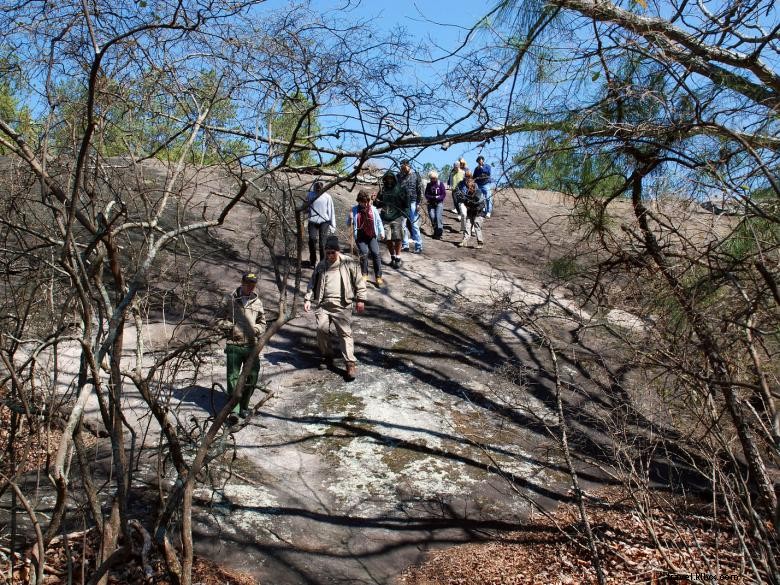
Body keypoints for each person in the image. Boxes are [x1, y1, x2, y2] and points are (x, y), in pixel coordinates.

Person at [303, 236, 367, 381]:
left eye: (333, 252)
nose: (330, 255)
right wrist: (307, 298)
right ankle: (327, 357)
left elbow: (359, 281)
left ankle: (350, 364)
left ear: (338, 251)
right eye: (328, 252)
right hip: (323, 304)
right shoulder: (321, 265)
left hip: (342, 305)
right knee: (321, 330)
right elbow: (312, 283)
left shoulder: (348, 262)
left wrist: (361, 299)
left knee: (345, 333)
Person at [217, 272, 267, 424]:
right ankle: (235, 409)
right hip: (234, 345)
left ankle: (244, 406)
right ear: (242, 283)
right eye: (248, 283)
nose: (251, 286)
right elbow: (218, 320)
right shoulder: (229, 299)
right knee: (233, 378)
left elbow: (263, 323)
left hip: (251, 346)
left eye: (253, 284)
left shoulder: (257, 302)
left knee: (252, 376)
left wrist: (255, 330)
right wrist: (232, 328)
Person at [347, 189, 385, 285]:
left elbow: (379, 221)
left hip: (371, 235)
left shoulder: (373, 209)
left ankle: (378, 276)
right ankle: (364, 274)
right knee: (364, 253)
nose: (365, 204)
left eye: (366, 202)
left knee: (375, 253)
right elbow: (348, 224)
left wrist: (382, 232)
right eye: (362, 202)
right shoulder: (354, 210)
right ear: (358, 201)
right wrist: (350, 217)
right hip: (360, 237)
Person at [374, 172, 409, 269]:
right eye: (387, 178)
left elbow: (406, 203)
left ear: (394, 179)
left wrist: (404, 214)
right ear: (385, 179)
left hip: (397, 216)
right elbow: (378, 204)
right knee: (387, 238)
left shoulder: (400, 189)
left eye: (391, 178)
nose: (389, 180)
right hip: (385, 217)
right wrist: (375, 201)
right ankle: (392, 256)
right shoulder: (383, 190)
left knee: (398, 237)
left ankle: (398, 257)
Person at [305, 181, 336, 267]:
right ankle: (313, 260)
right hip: (312, 221)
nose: (318, 189)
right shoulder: (310, 195)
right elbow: (306, 208)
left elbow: (331, 211)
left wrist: (333, 225)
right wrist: (306, 206)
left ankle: (323, 262)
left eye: (319, 187)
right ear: (314, 187)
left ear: (322, 187)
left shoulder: (327, 197)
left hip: (324, 221)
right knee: (312, 240)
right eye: (316, 187)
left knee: (322, 243)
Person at [396, 160, 424, 253]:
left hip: (413, 202)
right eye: (402, 168)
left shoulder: (416, 175)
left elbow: (420, 190)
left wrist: (419, 203)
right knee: (402, 225)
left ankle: (418, 246)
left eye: (404, 167)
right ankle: (405, 245)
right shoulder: (399, 176)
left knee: (414, 225)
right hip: (403, 203)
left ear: (408, 165)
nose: (403, 169)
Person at [457, 177, 486, 249]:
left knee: (477, 226)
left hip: (478, 213)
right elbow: (467, 202)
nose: (468, 187)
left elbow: (480, 202)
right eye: (467, 186)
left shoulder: (478, 192)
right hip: (470, 212)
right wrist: (464, 200)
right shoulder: (467, 193)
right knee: (467, 226)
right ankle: (464, 241)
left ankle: (480, 242)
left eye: (469, 185)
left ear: (472, 185)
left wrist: (470, 202)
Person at [425, 170, 447, 239]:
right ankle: (435, 231)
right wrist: (433, 197)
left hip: (439, 203)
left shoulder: (440, 184)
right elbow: (426, 194)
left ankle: (439, 233)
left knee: (438, 218)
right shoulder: (429, 185)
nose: (433, 179)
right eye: (431, 178)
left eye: (434, 178)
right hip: (430, 204)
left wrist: (438, 198)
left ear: (436, 178)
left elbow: (443, 194)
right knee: (432, 217)